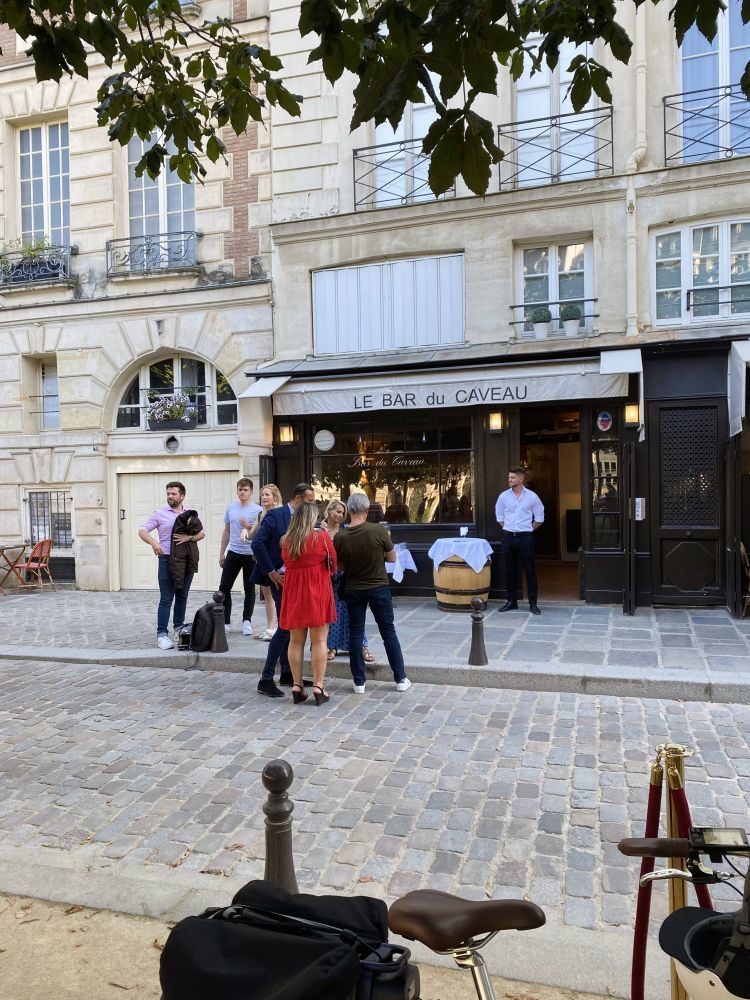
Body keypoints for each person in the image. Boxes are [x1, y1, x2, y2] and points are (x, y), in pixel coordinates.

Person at [334, 492, 411, 695]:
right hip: (378, 587)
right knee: (388, 632)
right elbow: (392, 558)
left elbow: (339, 565)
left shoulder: (340, 536)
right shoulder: (378, 530)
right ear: (367, 510)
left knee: (356, 633)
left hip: (354, 589)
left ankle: (359, 682)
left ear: (349, 511)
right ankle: (400, 679)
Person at [251, 482, 316, 698]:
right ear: (298, 499)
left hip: (294, 580)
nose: (312, 506)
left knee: (292, 626)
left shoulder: (303, 520)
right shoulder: (276, 516)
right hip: (278, 579)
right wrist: (270, 572)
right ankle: (266, 679)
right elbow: (257, 544)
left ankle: (287, 673)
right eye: (309, 501)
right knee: (286, 627)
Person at [279, 501, 337, 706]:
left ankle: (297, 685)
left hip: (294, 592)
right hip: (316, 591)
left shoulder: (286, 540)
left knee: (295, 641)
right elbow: (333, 565)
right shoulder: (321, 537)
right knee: (320, 641)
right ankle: (318, 686)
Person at [138, 481, 205, 649]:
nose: (170, 496)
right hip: (167, 559)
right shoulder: (160, 514)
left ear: (182, 496)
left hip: (186, 560)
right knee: (167, 598)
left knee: (182, 596)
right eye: (168, 493)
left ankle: (178, 629)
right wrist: (154, 543)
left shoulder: (190, 514)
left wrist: (188, 538)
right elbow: (142, 531)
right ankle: (162, 634)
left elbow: (201, 533)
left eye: (173, 494)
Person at [321, 499, 376, 664]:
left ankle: (361, 645)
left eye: (343, 513)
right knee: (331, 612)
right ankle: (331, 646)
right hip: (326, 576)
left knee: (351, 611)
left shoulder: (346, 531)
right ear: (329, 511)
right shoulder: (319, 530)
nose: (341, 515)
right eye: (338, 511)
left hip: (345, 576)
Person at [495, 466, 545, 615]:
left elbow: (540, 517)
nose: (509, 479)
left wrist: (528, 529)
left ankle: (533, 603)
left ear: (521, 478)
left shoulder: (532, 496)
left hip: (526, 538)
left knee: (530, 570)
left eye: (512, 477)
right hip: (509, 536)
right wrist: (511, 528)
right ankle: (511, 602)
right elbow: (500, 517)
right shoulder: (503, 496)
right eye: (509, 477)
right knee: (510, 570)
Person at [218, 478, 262, 635]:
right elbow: (227, 530)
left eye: (245, 490)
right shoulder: (231, 507)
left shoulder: (258, 510)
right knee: (224, 588)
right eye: (240, 489)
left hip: (250, 555)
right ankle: (226, 621)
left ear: (251, 491)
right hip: (233, 552)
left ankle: (246, 621)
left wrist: (247, 526)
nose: (242, 492)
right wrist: (222, 552)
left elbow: (258, 533)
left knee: (249, 589)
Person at [242, 483, 283, 639]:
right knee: (267, 595)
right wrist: (244, 529)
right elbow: (253, 535)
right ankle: (270, 628)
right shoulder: (262, 514)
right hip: (263, 559)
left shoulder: (281, 513)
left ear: (275, 497)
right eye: (262, 495)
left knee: (278, 595)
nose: (264, 498)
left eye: (267, 495)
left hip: (276, 560)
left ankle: (281, 628)